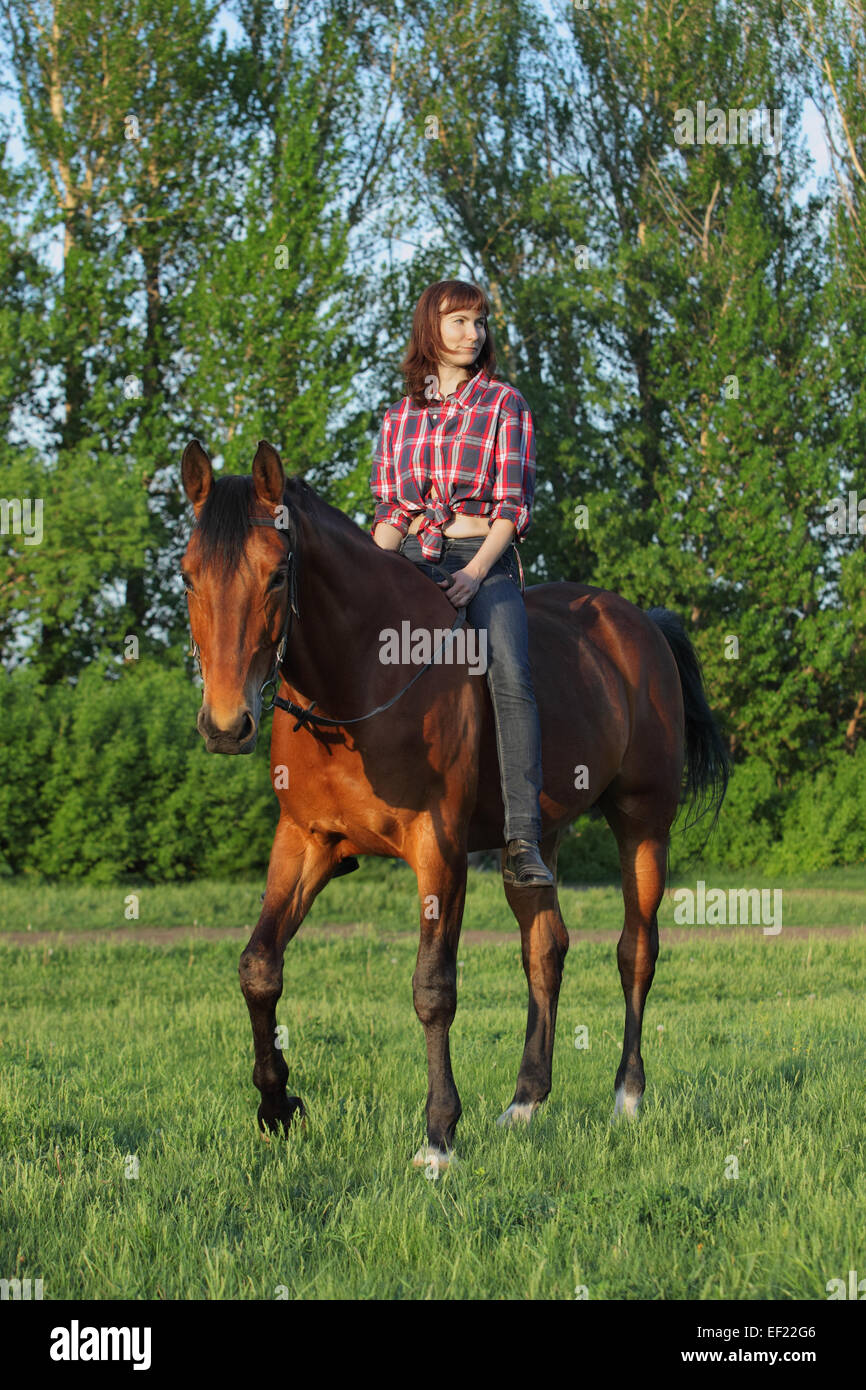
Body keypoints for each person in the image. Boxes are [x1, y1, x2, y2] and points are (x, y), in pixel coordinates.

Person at [370, 279, 553, 887]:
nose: (473, 334)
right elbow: (393, 512)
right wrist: (370, 580)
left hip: (484, 558)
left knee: (510, 669)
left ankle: (522, 838)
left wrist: (475, 575)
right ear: (431, 328)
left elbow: (512, 508)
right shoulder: (400, 415)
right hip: (415, 559)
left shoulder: (506, 404)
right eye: (459, 322)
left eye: (479, 322)